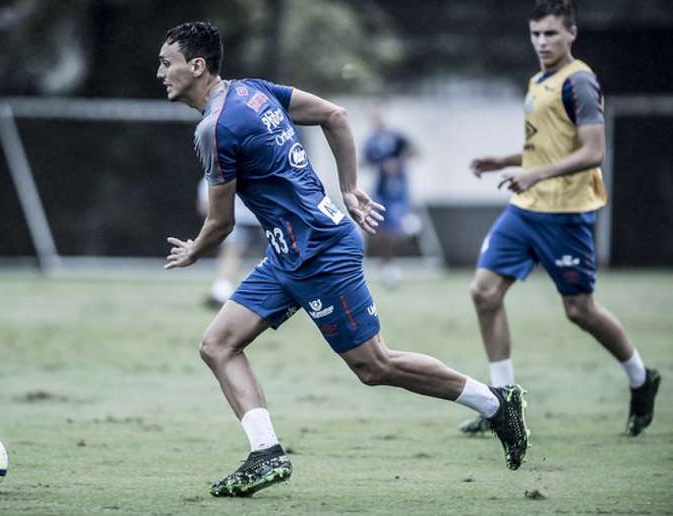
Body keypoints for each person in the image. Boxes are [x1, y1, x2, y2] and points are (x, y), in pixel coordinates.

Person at [157, 21, 529, 498]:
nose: (161, 72)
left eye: (167, 63)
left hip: (322, 252)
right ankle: (266, 453)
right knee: (218, 344)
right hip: (289, 254)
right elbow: (335, 114)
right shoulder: (253, 90)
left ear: (197, 66)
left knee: (375, 366)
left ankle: (497, 405)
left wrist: (194, 250)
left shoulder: (214, 128)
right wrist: (350, 188)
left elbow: (222, 223)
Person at [461, 0, 660, 437]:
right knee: (484, 292)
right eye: (535, 34)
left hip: (566, 214)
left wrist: (532, 172)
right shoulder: (537, 82)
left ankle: (641, 378)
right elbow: (546, 146)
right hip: (526, 209)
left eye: (550, 34)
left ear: (572, 33)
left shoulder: (580, 82)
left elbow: (593, 152)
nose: (541, 43)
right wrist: (504, 160)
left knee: (579, 310)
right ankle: (502, 402)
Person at [362, 104, 419, 288]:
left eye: (380, 116)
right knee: (378, 228)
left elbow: (415, 151)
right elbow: (364, 161)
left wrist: (397, 162)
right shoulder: (371, 141)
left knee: (397, 228)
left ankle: (409, 234)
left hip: (398, 190)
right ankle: (388, 265)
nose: (377, 120)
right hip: (380, 190)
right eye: (374, 117)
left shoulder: (397, 136)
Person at [196, 178, 262, 308]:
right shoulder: (221, 168)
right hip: (238, 217)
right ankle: (222, 291)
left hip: (263, 217)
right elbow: (205, 203)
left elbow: (204, 204)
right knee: (231, 251)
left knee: (272, 256)